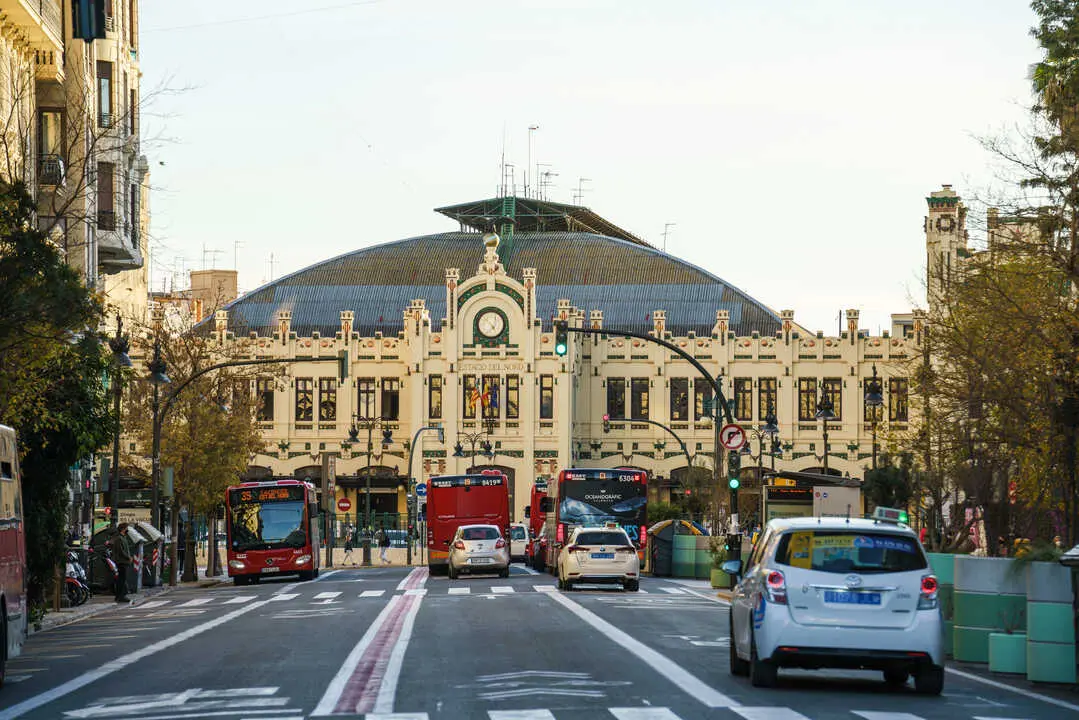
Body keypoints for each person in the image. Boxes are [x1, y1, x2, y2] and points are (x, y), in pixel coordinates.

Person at [109, 523, 134, 603]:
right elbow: (121, 551)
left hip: (124, 561)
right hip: (121, 561)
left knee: (122, 579)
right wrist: (128, 557)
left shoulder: (123, 537)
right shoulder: (119, 538)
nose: (127, 530)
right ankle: (120, 596)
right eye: (126, 528)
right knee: (121, 579)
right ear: (123, 529)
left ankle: (120, 596)